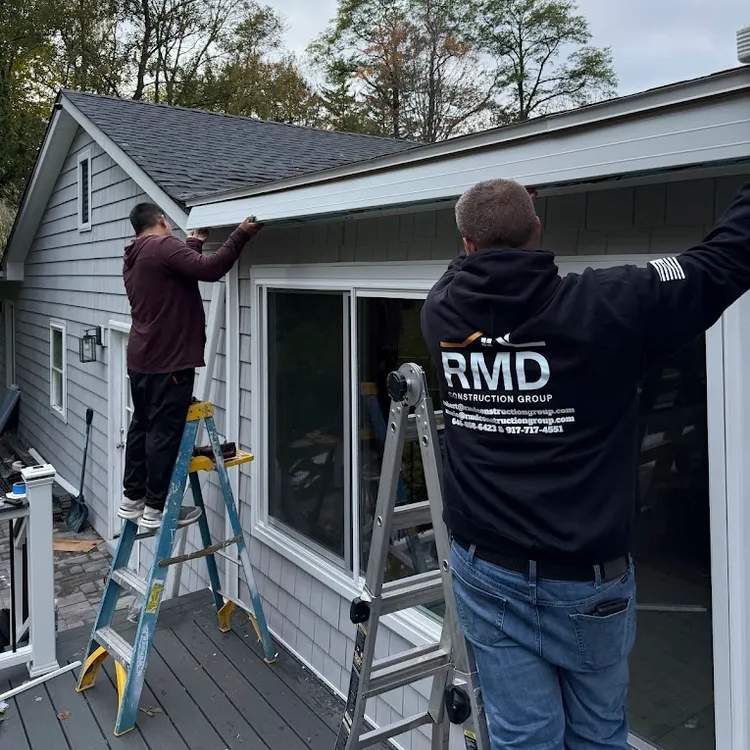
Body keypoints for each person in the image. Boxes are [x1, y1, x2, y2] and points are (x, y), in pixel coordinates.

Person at [420, 179, 750, 749]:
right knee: (598, 737)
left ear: (467, 245)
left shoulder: (441, 312)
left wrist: (490, 229)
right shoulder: (609, 305)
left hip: (486, 569)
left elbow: (470, 266)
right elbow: (720, 263)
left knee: (525, 737)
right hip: (586, 583)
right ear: (539, 230)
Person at [118, 203, 262, 529]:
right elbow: (209, 270)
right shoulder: (162, 246)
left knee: (142, 427)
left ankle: (132, 500)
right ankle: (156, 509)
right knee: (163, 434)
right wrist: (240, 235)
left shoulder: (134, 256)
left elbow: (177, 275)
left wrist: (193, 244)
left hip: (142, 361)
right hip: (168, 363)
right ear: (160, 220)